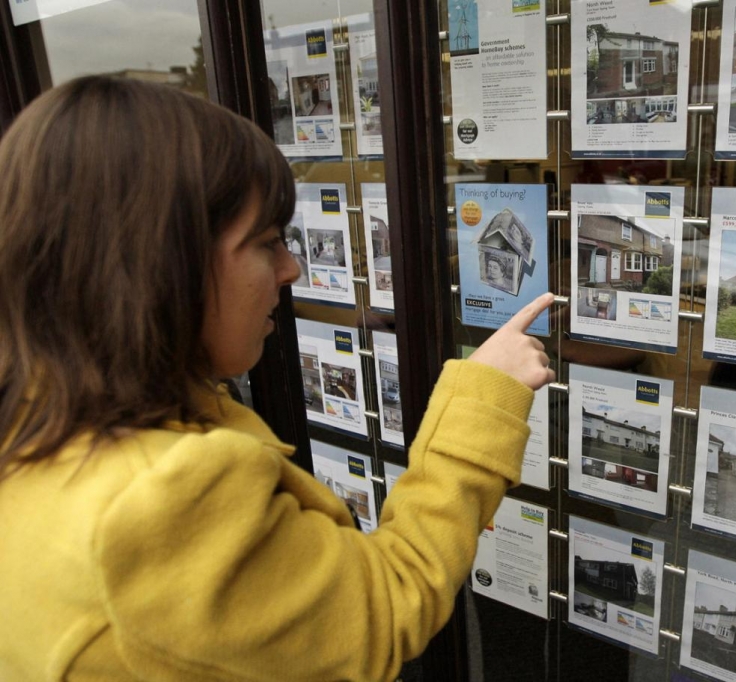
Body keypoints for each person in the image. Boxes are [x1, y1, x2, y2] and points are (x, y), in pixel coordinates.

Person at [0, 76, 555, 681]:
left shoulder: (36, 431)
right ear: (159, 267)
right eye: (266, 243)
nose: (291, 268)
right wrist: (484, 394)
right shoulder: (160, 501)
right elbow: (387, 607)